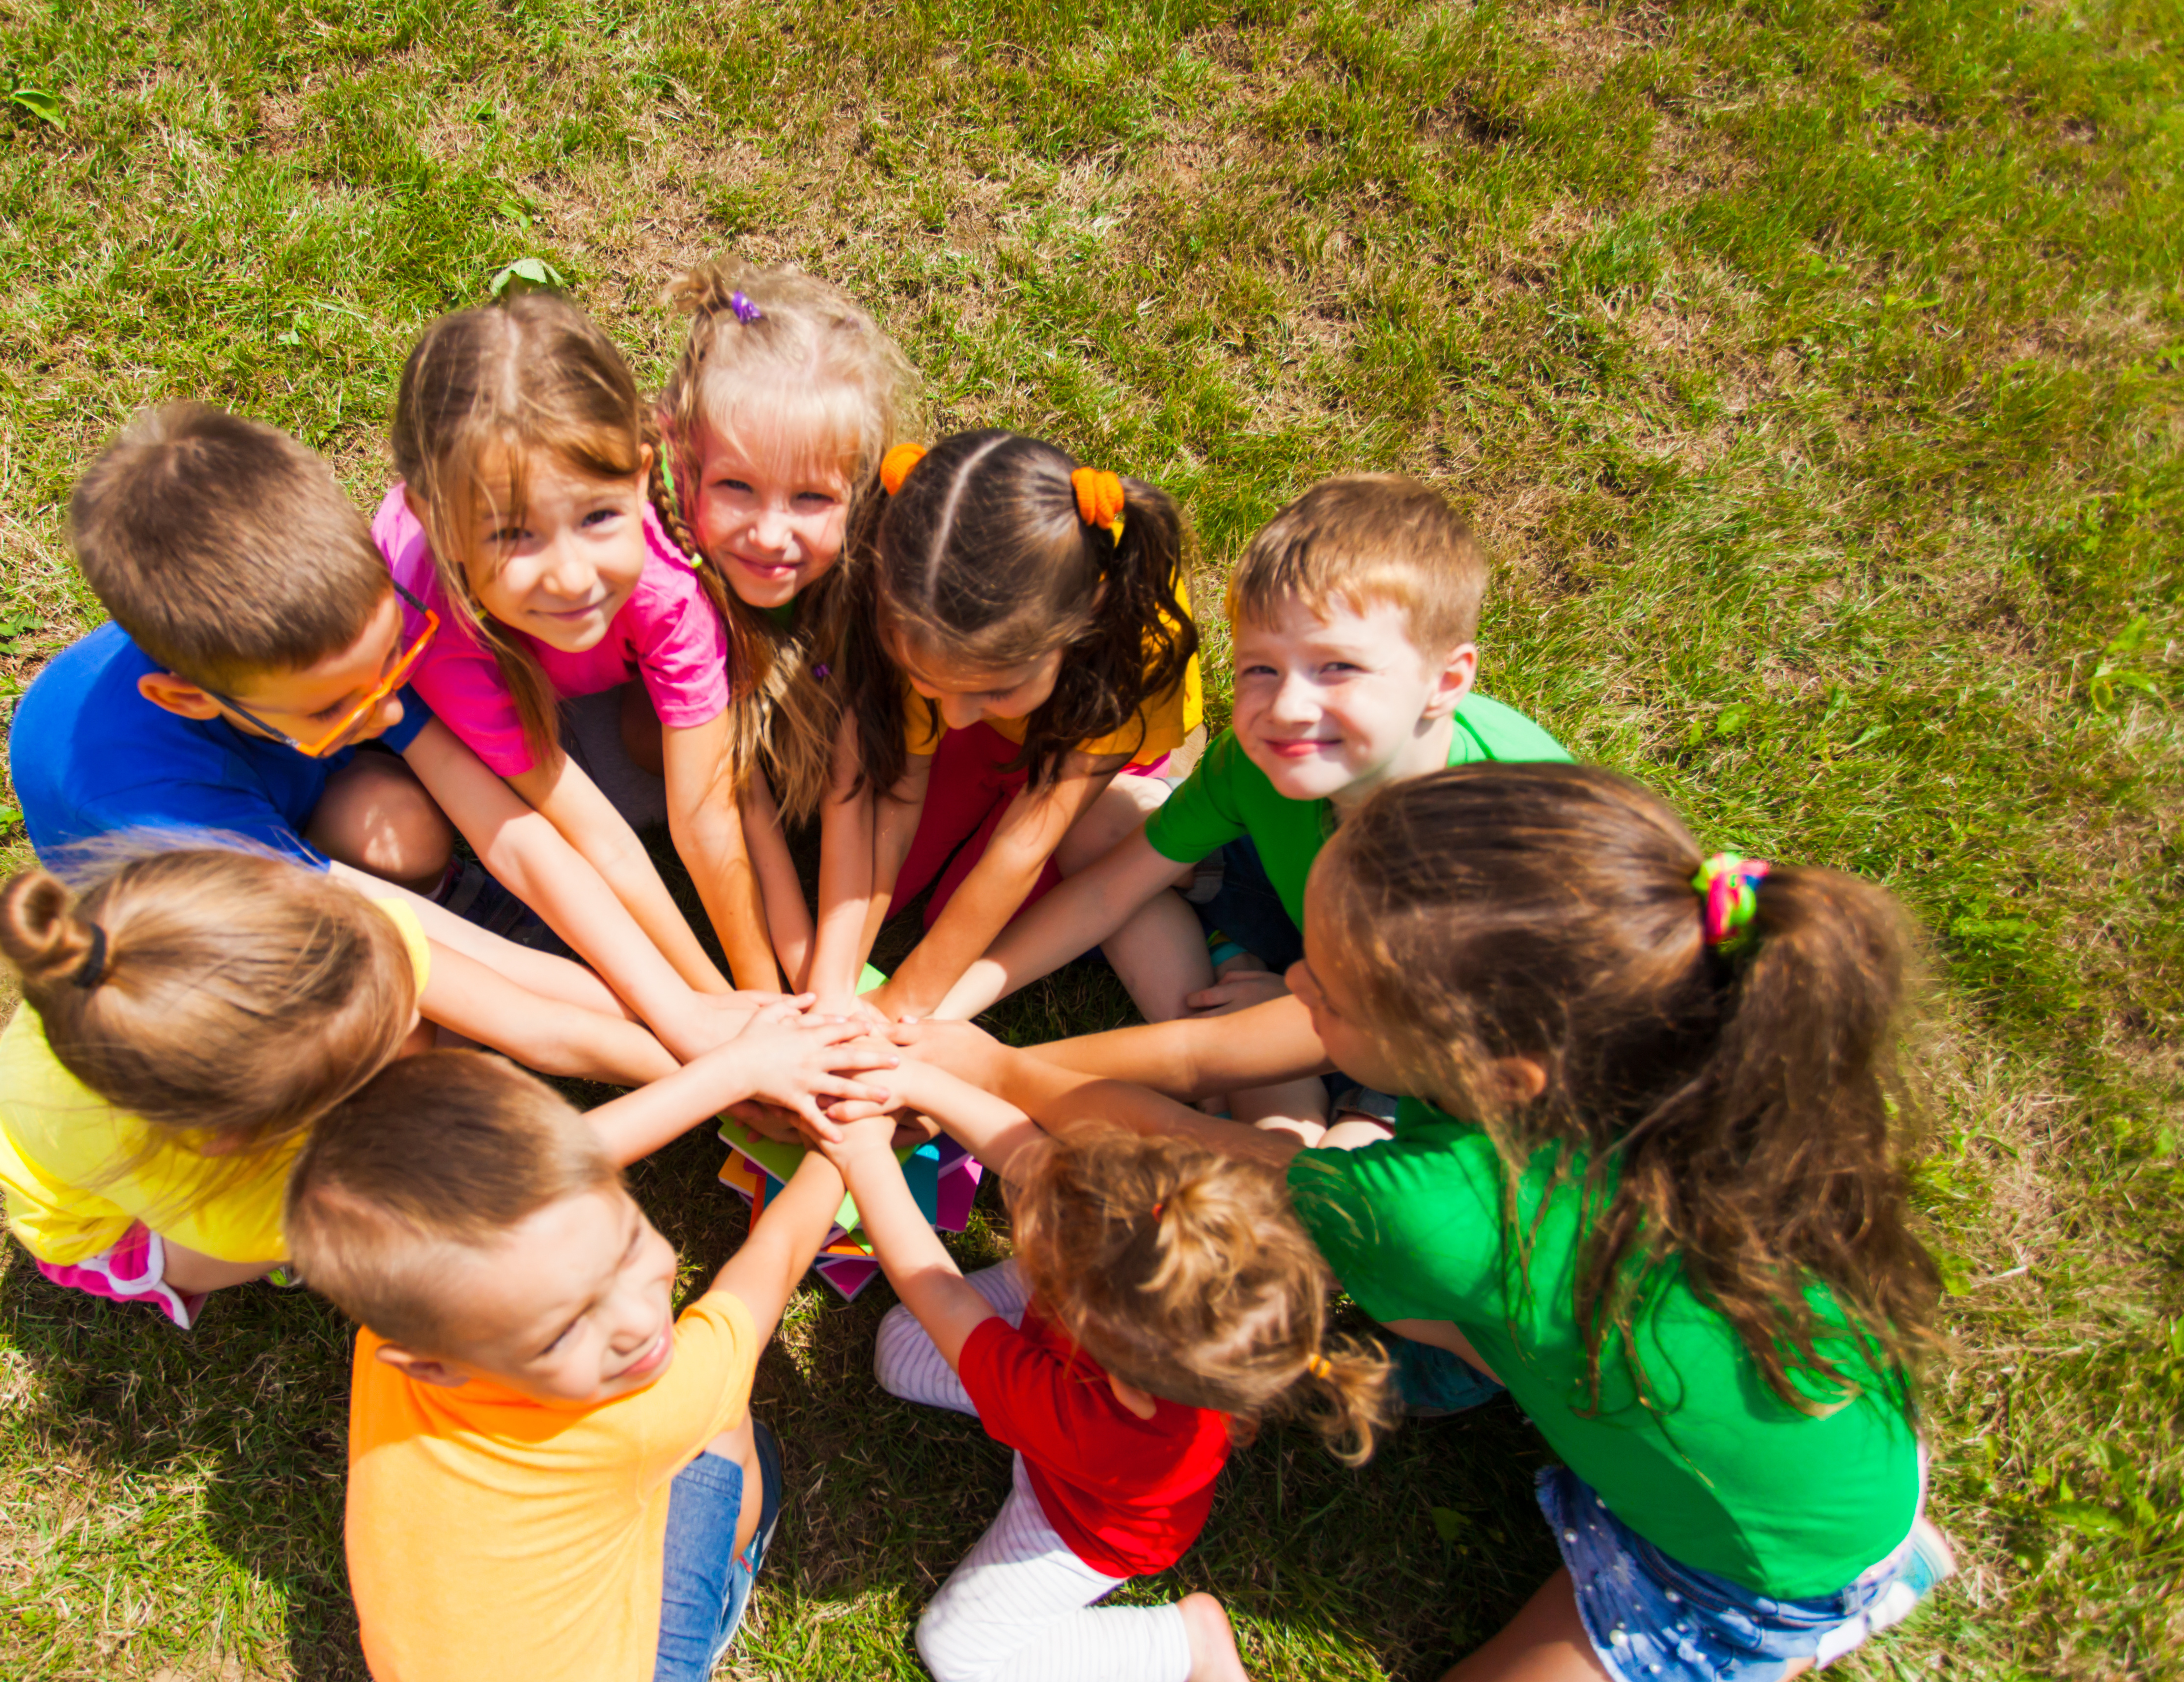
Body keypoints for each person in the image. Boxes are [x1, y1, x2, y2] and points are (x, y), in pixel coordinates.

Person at [895, 765, 1958, 1682]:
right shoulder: (1658, 1026)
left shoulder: (1436, 1213)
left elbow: (1171, 1145)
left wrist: (988, 1070)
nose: (1299, 982)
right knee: (1405, 1294)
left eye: (1331, 992)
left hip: (1768, 1564)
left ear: (1500, 1066)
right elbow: (1220, 1061)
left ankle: (1850, 1605)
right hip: (1807, 1416)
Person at [13, 401, 753, 1058]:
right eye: (339, 706)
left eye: (391, 662)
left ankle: (432, 871)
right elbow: (495, 996)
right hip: (207, 894)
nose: (391, 710)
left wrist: (702, 1012)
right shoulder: (159, 812)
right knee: (392, 1026)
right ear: (187, 699)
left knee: (405, 828)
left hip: (294, 772)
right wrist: (694, 1043)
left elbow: (515, 832)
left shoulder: (326, 649)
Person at [287, 1051, 876, 1682]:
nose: (638, 1323)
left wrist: (739, 1068)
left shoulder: (410, 1321)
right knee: (730, 1431)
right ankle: (718, 1600)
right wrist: (849, 1140)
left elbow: (564, 1167)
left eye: (629, 1244)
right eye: (566, 1328)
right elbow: (770, 1266)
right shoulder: (639, 1409)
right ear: (436, 1360)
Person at [0, 846, 888, 1327]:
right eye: (368, 1054)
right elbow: (500, 1187)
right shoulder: (228, 1182)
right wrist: (725, 1075)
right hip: (118, 1227)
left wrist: (725, 1030)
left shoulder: (296, 930)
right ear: (253, 1127)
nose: (415, 1032)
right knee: (378, 1209)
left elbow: (541, 1022)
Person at [929, 475, 1570, 1142]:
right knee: (1104, 820)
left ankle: (1245, 1065)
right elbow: (1105, 894)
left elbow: (1245, 1049)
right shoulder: (1261, 758)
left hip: (1417, 1053)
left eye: (1338, 668)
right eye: (1260, 669)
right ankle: (1240, 987)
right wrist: (936, 1014)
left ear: (1446, 682)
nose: (1287, 707)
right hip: (1314, 954)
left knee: (1316, 1188)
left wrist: (987, 1068)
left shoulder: (1488, 849)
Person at [820, 1058, 1386, 1682]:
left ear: (1120, 1373)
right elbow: (1029, 1154)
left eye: (1056, 1259)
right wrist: (912, 1079)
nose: (1030, 1219)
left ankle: (1182, 1647)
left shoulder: (1093, 1421)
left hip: (1078, 1520)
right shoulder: (1165, 1235)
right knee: (899, 1349)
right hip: (1066, 1383)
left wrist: (864, 1155)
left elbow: (945, 1301)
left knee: (959, 1654)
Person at [379, 289, 789, 994]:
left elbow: (705, 816)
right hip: (486, 666)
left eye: (599, 516)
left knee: (671, 760)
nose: (571, 577)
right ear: (439, 525)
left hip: (577, 663)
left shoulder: (665, 581)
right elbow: (592, 834)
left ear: (638, 479)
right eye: (513, 534)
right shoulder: (433, 626)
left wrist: (767, 998)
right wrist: (722, 1014)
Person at [808, 431, 1203, 1023]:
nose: (956, 716)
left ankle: (1157, 785)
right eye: (934, 685)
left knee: (957, 921)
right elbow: (900, 791)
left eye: (995, 689)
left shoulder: (1136, 639)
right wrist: (837, 979)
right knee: (885, 892)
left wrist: (905, 1003)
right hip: (1003, 735)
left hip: (1080, 747)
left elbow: (1026, 843)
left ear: (1085, 619)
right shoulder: (918, 605)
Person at [650, 259, 918, 988]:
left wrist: (826, 984)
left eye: (810, 498)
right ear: (684, 459)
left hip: (806, 767)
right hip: (670, 755)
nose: (771, 535)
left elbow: (851, 785)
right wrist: (777, 988)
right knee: (640, 748)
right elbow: (731, 793)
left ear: (857, 491)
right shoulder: (674, 580)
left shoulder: (872, 572)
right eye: (737, 486)